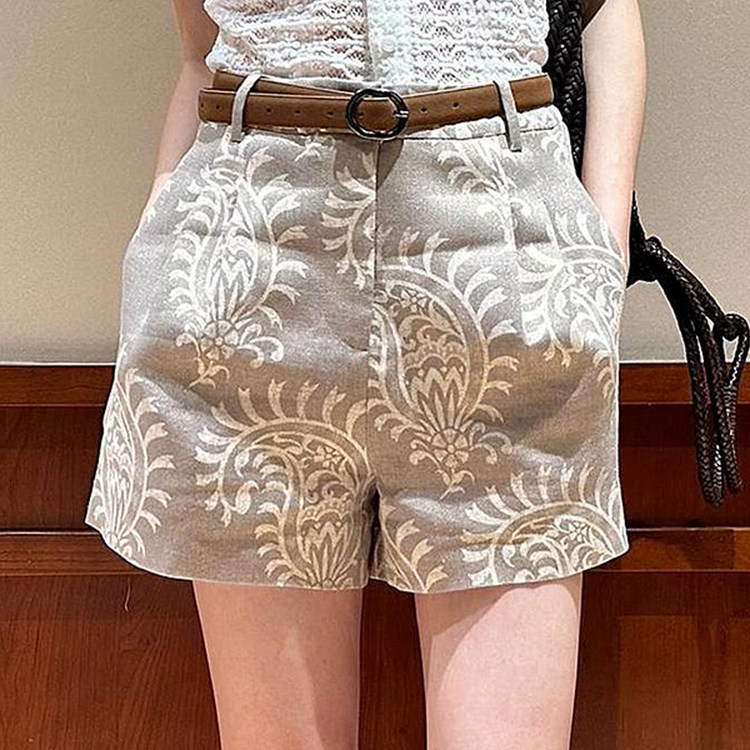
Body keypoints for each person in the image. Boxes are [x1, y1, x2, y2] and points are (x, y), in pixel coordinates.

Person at [84, 0, 646, 747]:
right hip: (249, 260)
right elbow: (201, 51)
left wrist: (604, 245)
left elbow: (607, 9)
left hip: (503, 258)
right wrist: (161, 228)